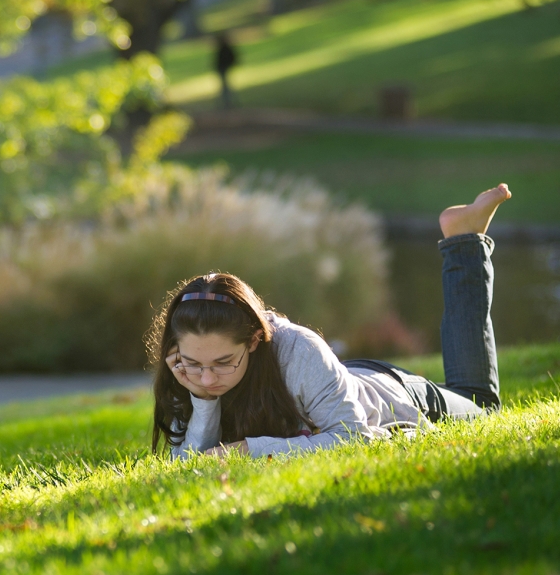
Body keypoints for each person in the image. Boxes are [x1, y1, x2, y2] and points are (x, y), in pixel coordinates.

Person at [148, 184, 511, 459]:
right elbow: (189, 461)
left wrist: (248, 449)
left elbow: (354, 436)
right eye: (195, 364)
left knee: (482, 406)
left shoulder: (298, 350)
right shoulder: (187, 368)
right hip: (338, 382)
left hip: (391, 397)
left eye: (224, 363)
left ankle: (464, 240)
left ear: (255, 340)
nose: (208, 378)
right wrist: (201, 399)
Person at [213, 32, 238, 110]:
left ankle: (228, 103)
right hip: (222, 69)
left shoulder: (224, 48)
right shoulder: (224, 48)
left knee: (225, 87)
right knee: (225, 87)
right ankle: (227, 103)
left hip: (223, 68)